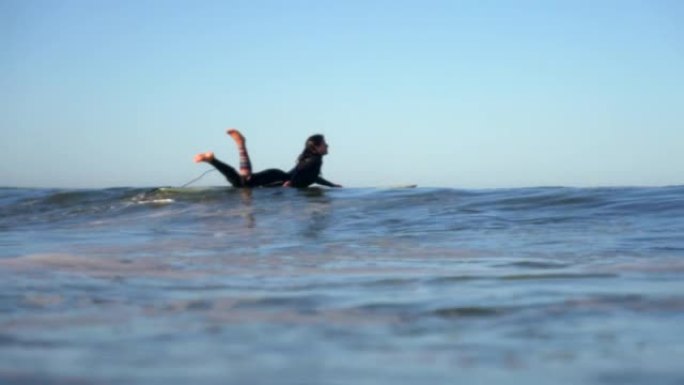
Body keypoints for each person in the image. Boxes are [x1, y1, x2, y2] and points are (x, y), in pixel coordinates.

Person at [194, 129, 341, 188]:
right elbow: (301, 172)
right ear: (316, 148)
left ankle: (212, 159)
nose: (327, 146)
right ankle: (240, 145)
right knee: (243, 183)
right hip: (279, 178)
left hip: (278, 176)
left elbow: (312, 177)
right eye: (324, 144)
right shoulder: (315, 160)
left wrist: (332, 185)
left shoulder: (313, 160)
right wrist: (290, 183)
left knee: (242, 182)